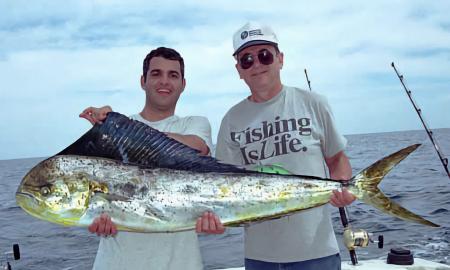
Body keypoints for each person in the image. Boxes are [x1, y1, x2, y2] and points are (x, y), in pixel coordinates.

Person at [214, 22, 356, 270]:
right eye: (247, 59)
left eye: (264, 55)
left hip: (318, 253)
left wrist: (345, 187)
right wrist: (215, 218)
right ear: (239, 69)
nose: (256, 64)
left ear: (280, 59)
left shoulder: (314, 103)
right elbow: (225, 187)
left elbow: (337, 160)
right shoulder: (230, 120)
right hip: (260, 258)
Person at [79, 47, 224, 270]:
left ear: (183, 84)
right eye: (156, 74)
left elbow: (198, 148)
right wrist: (95, 220)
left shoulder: (194, 124)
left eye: (172, 75)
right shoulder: (114, 132)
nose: (164, 81)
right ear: (142, 81)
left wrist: (116, 129)